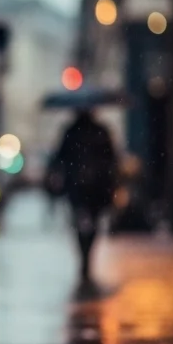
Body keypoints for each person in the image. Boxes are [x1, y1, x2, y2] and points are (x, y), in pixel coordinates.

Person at [48, 108, 119, 284]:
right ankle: (87, 257)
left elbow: (59, 158)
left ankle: (84, 257)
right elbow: (111, 159)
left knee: (80, 223)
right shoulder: (100, 131)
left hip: (77, 187)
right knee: (92, 223)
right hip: (96, 187)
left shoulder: (71, 131)